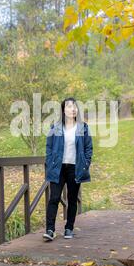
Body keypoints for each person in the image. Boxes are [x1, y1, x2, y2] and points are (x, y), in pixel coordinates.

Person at [43, 97, 93, 241]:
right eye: (69, 106)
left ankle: (69, 228)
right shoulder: (56, 127)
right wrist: (49, 161)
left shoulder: (83, 127)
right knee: (54, 198)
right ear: (63, 110)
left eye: (75, 106)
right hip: (58, 168)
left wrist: (86, 163)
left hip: (75, 168)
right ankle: (50, 230)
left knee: (72, 199)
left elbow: (88, 147)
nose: (73, 109)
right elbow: (49, 146)